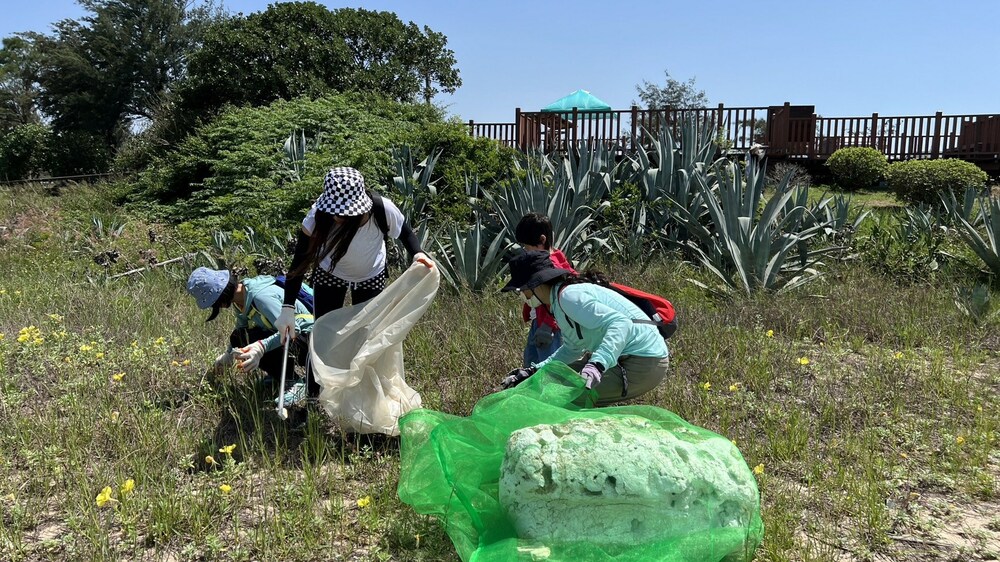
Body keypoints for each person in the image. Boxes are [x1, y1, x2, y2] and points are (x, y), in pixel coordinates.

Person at [274, 166, 433, 401]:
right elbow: (299, 262)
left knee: (367, 335)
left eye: (345, 214)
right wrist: (287, 307)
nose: (338, 218)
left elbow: (407, 234)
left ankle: (364, 397)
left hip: (371, 274)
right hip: (330, 273)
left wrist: (418, 254)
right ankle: (314, 395)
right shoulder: (318, 216)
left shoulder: (382, 209)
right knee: (323, 336)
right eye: (335, 213)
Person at [499, 251, 670, 406]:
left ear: (535, 285)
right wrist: (534, 370)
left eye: (521, 291)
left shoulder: (568, 297)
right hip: (625, 358)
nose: (521, 296)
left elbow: (621, 323)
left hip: (643, 362)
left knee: (560, 396)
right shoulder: (558, 303)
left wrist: (597, 364)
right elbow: (571, 349)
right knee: (547, 380)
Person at [186, 267, 314, 391]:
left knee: (253, 340)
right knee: (239, 337)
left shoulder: (261, 298)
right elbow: (240, 330)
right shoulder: (240, 298)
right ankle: (279, 376)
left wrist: (261, 347)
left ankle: (294, 383)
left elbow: (292, 330)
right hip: (292, 339)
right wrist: (228, 355)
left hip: (310, 340)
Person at [514, 213, 576, 367]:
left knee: (549, 369)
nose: (525, 250)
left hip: (550, 326)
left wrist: (548, 325)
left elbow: (558, 298)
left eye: (527, 246)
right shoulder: (555, 256)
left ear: (542, 240)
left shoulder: (551, 265)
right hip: (540, 322)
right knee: (531, 363)